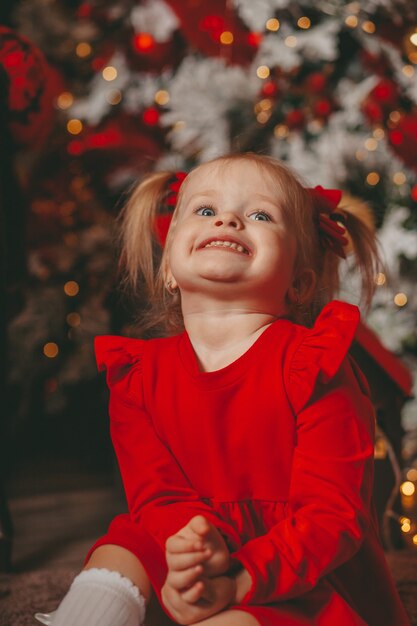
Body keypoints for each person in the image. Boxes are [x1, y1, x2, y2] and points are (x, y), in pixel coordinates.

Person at [35, 153, 410, 626]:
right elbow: (157, 497)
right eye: (205, 211)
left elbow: (333, 516)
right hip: (197, 560)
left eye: (260, 215)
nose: (229, 219)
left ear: (300, 282)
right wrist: (191, 548)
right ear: (169, 265)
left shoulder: (316, 365)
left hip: (301, 577)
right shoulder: (136, 376)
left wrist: (238, 579)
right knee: (125, 543)